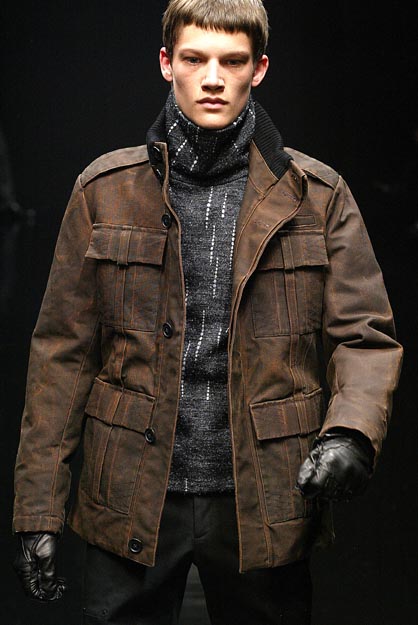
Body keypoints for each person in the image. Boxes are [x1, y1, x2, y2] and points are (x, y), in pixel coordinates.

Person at [12, 1, 403, 624]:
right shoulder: (105, 191)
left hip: (266, 495)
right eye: (195, 59)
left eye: (233, 61)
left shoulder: (317, 196)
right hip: (130, 491)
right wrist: (38, 509)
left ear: (260, 68)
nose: (213, 79)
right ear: (166, 63)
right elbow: (62, 354)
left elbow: (365, 335)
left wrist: (351, 431)